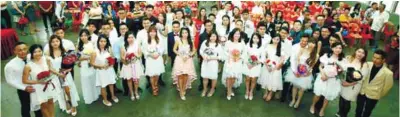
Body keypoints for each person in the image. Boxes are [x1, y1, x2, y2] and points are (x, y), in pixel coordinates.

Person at [5, 42, 43, 117]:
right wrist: (24, 88)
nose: (23, 52)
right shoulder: (10, 65)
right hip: (23, 89)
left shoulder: (31, 57)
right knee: (26, 107)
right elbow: (9, 80)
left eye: (24, 49)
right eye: (19, 50)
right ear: (15, 51)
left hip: (36, 86)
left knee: (38, 105)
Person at [45, 35, 79, 116]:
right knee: (61, 91)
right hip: (56, 75)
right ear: (50, 43)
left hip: (66, 74)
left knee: (68, 90)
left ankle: (74, 106)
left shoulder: (64, 51)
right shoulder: (47, 53)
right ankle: (66, 105)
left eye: (57, 41)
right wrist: (58, 74)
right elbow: (49, 67)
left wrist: (68, 70)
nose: (55, 43)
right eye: (53, 42)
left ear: (60, 42)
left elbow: (71, 62)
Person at [310, 42, 346, 117]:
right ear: (332, 48)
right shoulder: (326, 56)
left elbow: (341, 71)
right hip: (323, 77)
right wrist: (323, 74)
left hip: (332, 80)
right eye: (336, 47)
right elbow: (320, 66)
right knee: (318, 94)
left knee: (327, 97)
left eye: (340, 48)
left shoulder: (342, 60)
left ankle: (322, 109)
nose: (338, 50)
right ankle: (313, 105)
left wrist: (339, 68)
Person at [356, 50, 393, 117]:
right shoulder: (367, 64)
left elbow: (387, 87)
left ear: (383, 60)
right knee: (358, 109)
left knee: (367, 111)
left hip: (374, 95)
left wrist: (378, 94)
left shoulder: (388, 73)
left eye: (378, 58)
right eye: (374, 57)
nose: (374, 59)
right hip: (362, 91)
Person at [22, 44, 57, 117]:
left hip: (48, 85)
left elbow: (50, 70)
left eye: (39, 51)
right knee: (43, 105)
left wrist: (56, 74)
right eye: (35, 52)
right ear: (31, 53)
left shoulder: (46, 60)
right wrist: (39, 82)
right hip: (38, 88)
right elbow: (25, 80)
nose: (38, 53)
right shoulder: (28, 66)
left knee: (51, 102)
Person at [336, 47, 369, 117]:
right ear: (355, 51)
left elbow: (362, 78)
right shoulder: (349, 58)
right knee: (341, 98)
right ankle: (340, 112)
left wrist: (349, 84)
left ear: (365, 55)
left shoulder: (364, 65)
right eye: (359, 51)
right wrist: (341, 78)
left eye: (363, 53)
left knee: (347, 100)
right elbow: (341, 68)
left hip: (353, 86)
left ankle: (344, 114)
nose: (360, 54)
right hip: (343, 82)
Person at [90, 35, 119, 107]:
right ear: (98, 42)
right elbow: (92, 63)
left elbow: (112, 58)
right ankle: (105, 99)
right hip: (101, 71)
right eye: (101, 41)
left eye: (105, 41)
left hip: (109, 70)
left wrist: (111, 63)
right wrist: (101, 66)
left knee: (111, 83)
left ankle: (112, 96)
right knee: (103, 86)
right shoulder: (95, 51)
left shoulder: (108, 49)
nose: (103, 43)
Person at [172, 27, 197, 100]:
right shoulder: (178, 40)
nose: (184, 34)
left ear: (188, 33)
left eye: (186, 32)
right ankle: (181, 91)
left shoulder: (190, 41)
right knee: (180, 75)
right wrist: (180, 55)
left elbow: (194, 50)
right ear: (181, 33)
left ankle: (183, 88)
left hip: (188, 60)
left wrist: (189, 55)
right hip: (180, 60)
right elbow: (174, 49)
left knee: (186, 75)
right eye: (183, 33)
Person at [76, 29, 99, 104]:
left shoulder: (92, 44)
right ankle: (89, 97)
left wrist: (91, 58)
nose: (83, 37)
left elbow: (95, 54)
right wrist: (86, 58)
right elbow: (77, 58)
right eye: (82, 36)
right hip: (84, 65)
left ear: (88, 36)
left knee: (93, 79)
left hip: (91, 65)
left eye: (85, 35)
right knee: (86, 81)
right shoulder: (78, 46)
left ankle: (95, 95)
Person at [120, 31, 144, 101]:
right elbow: (122, 57)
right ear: (126, 38)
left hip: (136, 64)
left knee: (136, 79)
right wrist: (127, 59)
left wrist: (135, 56)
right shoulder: (123, 46)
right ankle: (132, 93)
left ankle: (136, 92)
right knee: (129, 79)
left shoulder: (137, 45)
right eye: (128, 37)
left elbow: (140, 54)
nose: (130, 39)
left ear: (134, 38)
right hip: (127, 65)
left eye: (132, 37)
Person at [222, 28, 246, 100]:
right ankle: (229, 91)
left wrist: (239, 57)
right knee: (229, 77)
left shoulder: (242, 43)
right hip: (230, 61)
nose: (237, 35)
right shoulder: (228, 42)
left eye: (238, 34)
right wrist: (231, 56)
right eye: (235, 33)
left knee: (234, 77)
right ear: (232, 34)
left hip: (237, 62)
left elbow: (244, 52)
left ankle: (230, 88)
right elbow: (225, 51)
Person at [143, 26, 165, 96]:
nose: (152, 33)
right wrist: (150, 54)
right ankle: (153, 88)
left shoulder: (159, 39)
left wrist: (158, 54)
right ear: (148, 32)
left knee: (157, 73)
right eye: (151, 32)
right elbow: (144, 50)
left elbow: (162, 48)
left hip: (158, 59)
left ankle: (156, 84)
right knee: (152, 75)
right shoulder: (145, 40)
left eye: (154, 32)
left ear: (156, 32)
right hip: (150, 59)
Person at [199, 32, 222, 97]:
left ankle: (212, 89)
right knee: (205, 77)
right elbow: (201, 50)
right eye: (211, 36)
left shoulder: (218, 45)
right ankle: (205, 89)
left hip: (213, 63)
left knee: (213, 77)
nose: (212, 38)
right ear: (209, 37)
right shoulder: (205, 42)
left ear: (216, 37)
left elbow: (220, 56)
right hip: (205, 62)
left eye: (214, 36)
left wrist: (211, 58)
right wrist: (203, 56)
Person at [243, 33, 263, 100]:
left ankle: (251, 91)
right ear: (251, 38)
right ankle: (247, 91)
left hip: (256, 65)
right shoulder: (248, 45)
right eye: (254, 38)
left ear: (259, 39)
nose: (255, 39)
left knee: (254, 79)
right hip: (248, 64)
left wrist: (254, 64)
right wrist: (248, 63)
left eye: (257, 38)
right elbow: (244, 55)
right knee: (247, 78)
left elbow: (262, 58)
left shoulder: (261, 47)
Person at [197, 20, 214, 91]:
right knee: (203, 70)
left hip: (213, 57)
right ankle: (202, 84)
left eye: (210, 25)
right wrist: (199, 56)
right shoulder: (202, 35)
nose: (209, 27)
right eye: (207, 25)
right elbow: (199, 46)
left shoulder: (214, 35)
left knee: (212, 70)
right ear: (205, 26)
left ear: (212, 26)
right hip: (204, 57)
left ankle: (211, 84)